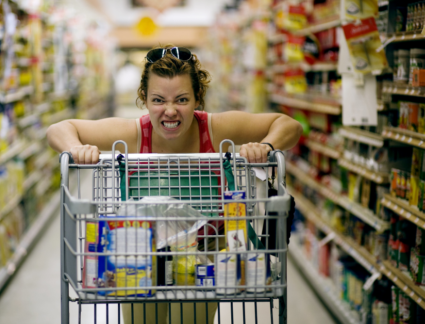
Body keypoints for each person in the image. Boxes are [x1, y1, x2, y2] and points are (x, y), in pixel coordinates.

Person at [47, 44, 302, 324]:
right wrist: (76, 148)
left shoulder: (215, 129)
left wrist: (266, 146)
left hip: (204, 256)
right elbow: (58, 129)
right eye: (158, 100)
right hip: (141, 255)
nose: (170, 111)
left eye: (181, 100)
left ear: (197, 98)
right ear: (144, 98)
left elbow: (289, 125)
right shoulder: (134, 133)